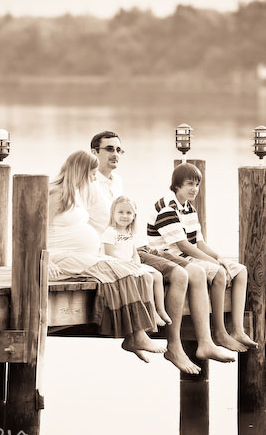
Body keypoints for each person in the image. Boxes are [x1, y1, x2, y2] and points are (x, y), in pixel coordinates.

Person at [88, 130, 234, 373]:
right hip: (109, 252)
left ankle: (201, 341)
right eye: (109, 149)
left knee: (189, 272)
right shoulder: (87, 184)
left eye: (118, 149)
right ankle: (173, 347)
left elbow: (126, 218)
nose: (115, 154)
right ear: (95, 153)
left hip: (133, 246)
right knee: (178, 275)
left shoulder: (117, 182)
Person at [47, 150, 166, 361]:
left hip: (82, 256)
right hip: (61, 256)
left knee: (133, 270)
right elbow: (36, 230)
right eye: (92, 173)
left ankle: (135, 335)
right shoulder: (56, 193)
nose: (94, 178)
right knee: (120, 270)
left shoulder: (76, 193)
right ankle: (137, 334)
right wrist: (45, 259)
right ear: (81, 171)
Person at [147, 163, 259, 353]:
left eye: (197, 184)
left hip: (188, 255)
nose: (194, 189)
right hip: (171, 258)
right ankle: (220, 332)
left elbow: (199, 242)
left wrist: (218, 257)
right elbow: (183, 246)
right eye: (190, 184)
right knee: (219, 273)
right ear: (176, 185)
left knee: (240, 271)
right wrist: (214, 264)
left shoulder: (189, 208)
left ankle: (238, 330)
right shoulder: (167, 208)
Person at [101, 195, 171, 327]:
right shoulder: (110, 232)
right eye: (120, 212)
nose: (125, 216)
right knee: (148, 278)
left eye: (129, 213)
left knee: (157, 275)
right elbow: (109, 255)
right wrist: (128, 265)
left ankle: (160, 309)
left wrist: (136, 263)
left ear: (134, 216)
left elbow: (134, 253)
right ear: (113, 214)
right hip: (117, 266)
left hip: (130, 264)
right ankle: (152, 312)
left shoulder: (129, 233)